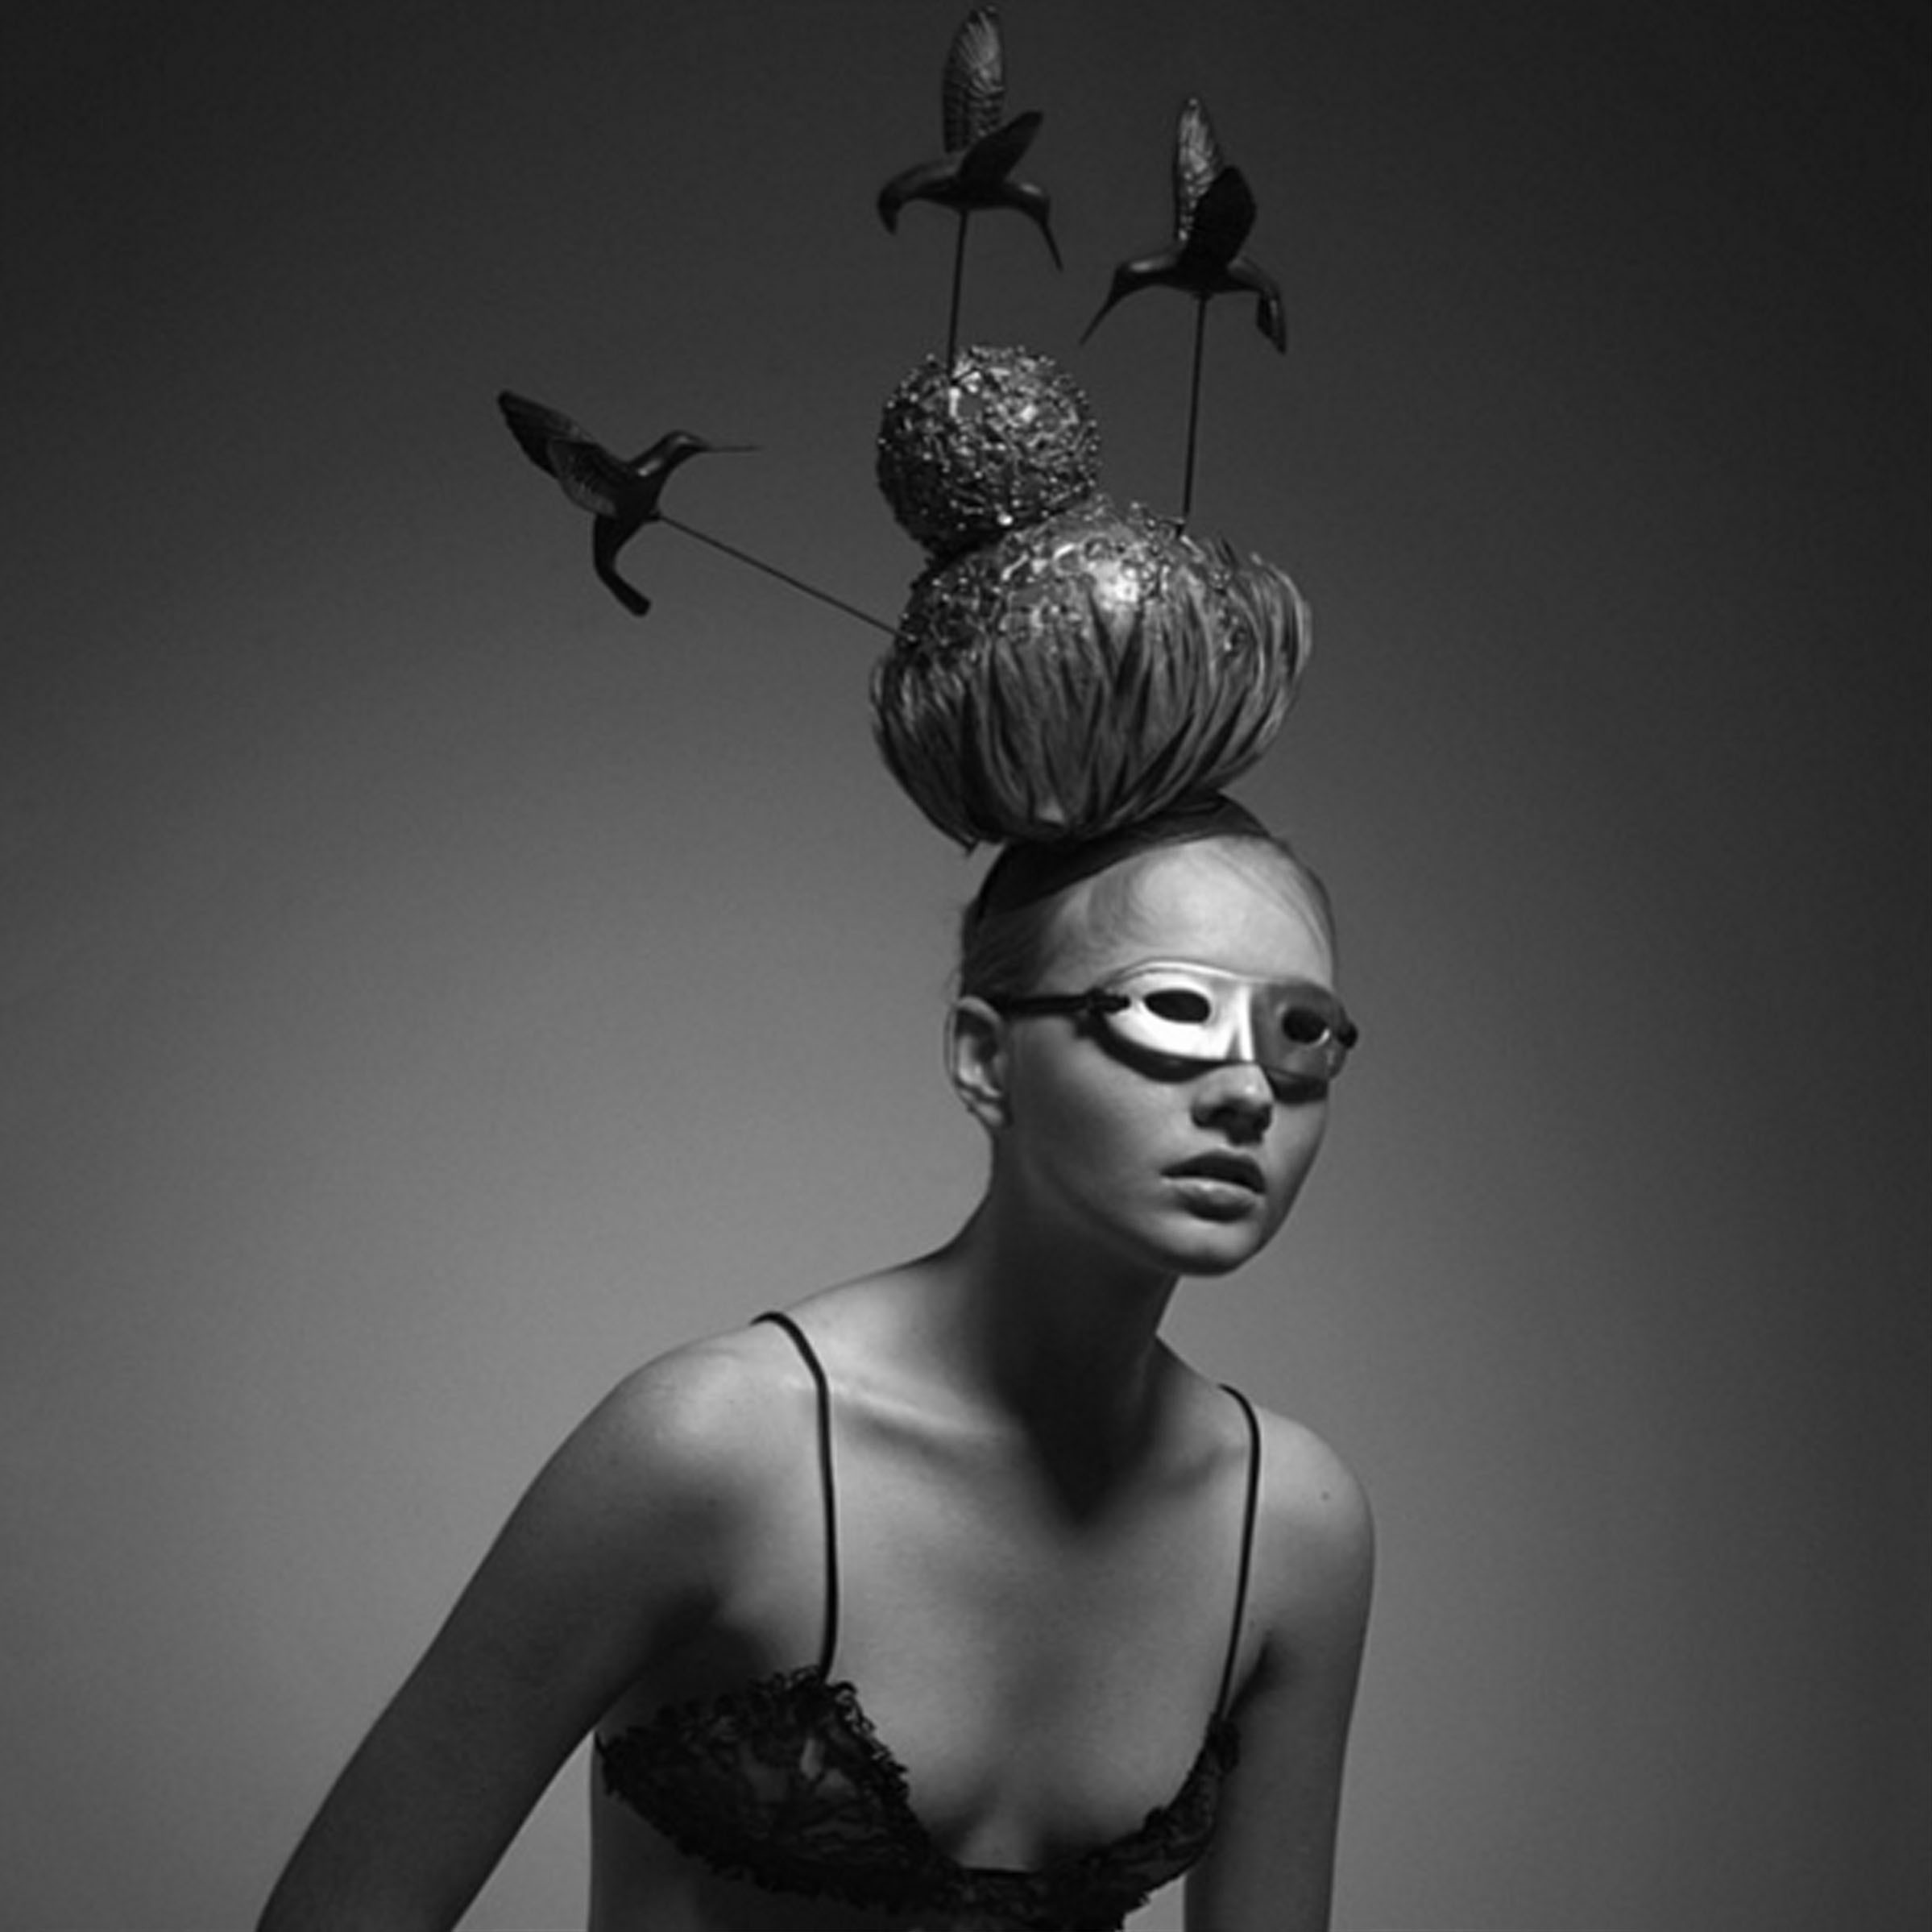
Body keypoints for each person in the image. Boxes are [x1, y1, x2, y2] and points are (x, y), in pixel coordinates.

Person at [255, 793, 1373, 1932]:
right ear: (985, 1057)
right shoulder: (710, 1449)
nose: (1246, 1092)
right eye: (1175, 1010)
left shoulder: (1291, 1528)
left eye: (1301, 1035)